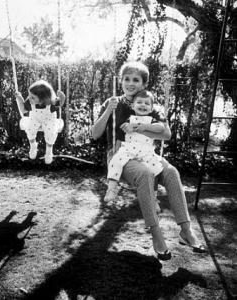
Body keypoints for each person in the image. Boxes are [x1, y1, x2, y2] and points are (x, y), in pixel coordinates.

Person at [91, 61, 206, 261]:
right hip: (121, 156)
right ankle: (156, 234)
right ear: (121, 81)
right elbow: (94, 134)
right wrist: (108, 110)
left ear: (144, 83)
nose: (130, 83)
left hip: (145, 153)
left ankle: (185, 230)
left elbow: (167, 134)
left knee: (171, 172)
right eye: (126, 79)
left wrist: (139, 128)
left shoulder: (150, 104)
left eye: (136, 80)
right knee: (144, 174)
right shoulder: (113, 102)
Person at [105, 90, 165, 202]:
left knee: (155, 170)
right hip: (129, 149)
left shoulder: (152, 121)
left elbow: (161, 128)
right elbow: (120, 136)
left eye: (147, 104)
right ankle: (112, 188)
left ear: (151, 109)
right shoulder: (128, 120)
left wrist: (144, 126)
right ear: (133, 106)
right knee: (115, 161)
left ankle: (153, 198)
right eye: (139, 102)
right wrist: (116, 149)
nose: (143, 105)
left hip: (146, 151)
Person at [15, 80, 65, 164]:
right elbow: (23, 110)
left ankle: (49, 150)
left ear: (43, 98)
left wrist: (62, 96)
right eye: (29, 95)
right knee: (30, 128)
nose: (29, 98)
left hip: (49, 119)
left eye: (32, 97)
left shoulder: (52, 103)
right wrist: (20, 100)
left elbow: (60, 103)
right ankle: (33, 145)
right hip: (35, 119)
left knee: (51, 132)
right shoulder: (30, 101)